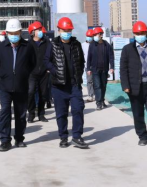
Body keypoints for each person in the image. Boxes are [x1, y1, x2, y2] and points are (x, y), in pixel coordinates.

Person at [44, 17, 89, 149]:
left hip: (74, 85)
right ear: (59, 30)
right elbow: (46, 61)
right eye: (64, 30)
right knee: (61, 113)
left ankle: (77, 136)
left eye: (69, 30)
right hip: (58, 86)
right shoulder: (52, 44)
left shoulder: (76, 44)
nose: (67, 33)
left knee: (78, 109)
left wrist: (78, 74)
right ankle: (63, 137)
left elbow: (81, 61)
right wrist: (55, 71)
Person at [0, 19, 37, 152]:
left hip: (21, 86)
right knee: (5, 112)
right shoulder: (1, 47)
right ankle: (5, 140)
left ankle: (19, 138)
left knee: (21, 114)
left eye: (15, 32)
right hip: (5, 87)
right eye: (11, 33)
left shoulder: (28, 47)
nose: (13, 35)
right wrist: (4, 74)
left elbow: (32, 63)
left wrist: (23, 74)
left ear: (20, 32)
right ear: (7, 33)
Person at [87, 26, 114, 111]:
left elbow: (111, 57)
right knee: (97, 85)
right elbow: (89, 57)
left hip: (104, 69)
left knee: (103, 85)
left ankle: (102, 100)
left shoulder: (106, 45)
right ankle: (98, 103)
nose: (95, 36)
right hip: (95, 69)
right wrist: (88, 69)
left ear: (101, 35)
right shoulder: (92, 45)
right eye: (94, 35)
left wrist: (112, 67)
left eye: (96, 34)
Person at [27, 21, 50, 123]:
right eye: (38, 30)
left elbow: (51, 56)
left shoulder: (47, 43)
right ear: (33, 32)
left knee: (43, 94)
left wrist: (49, 68)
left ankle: (41, 114)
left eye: (41, 29)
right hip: (32, 73)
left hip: (44, 73)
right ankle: (31, 113)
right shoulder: (28, 44)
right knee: (30, 92)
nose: (40, 31)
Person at [81, 30, 96, 102]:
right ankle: (90, 95)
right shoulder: (83, 45)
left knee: (96, 81)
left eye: (91, 36)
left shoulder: (95, 44)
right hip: (88, 66)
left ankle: (96, 95)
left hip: (96, 65)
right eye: (88, 36)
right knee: (89, 81)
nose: (89, 37)